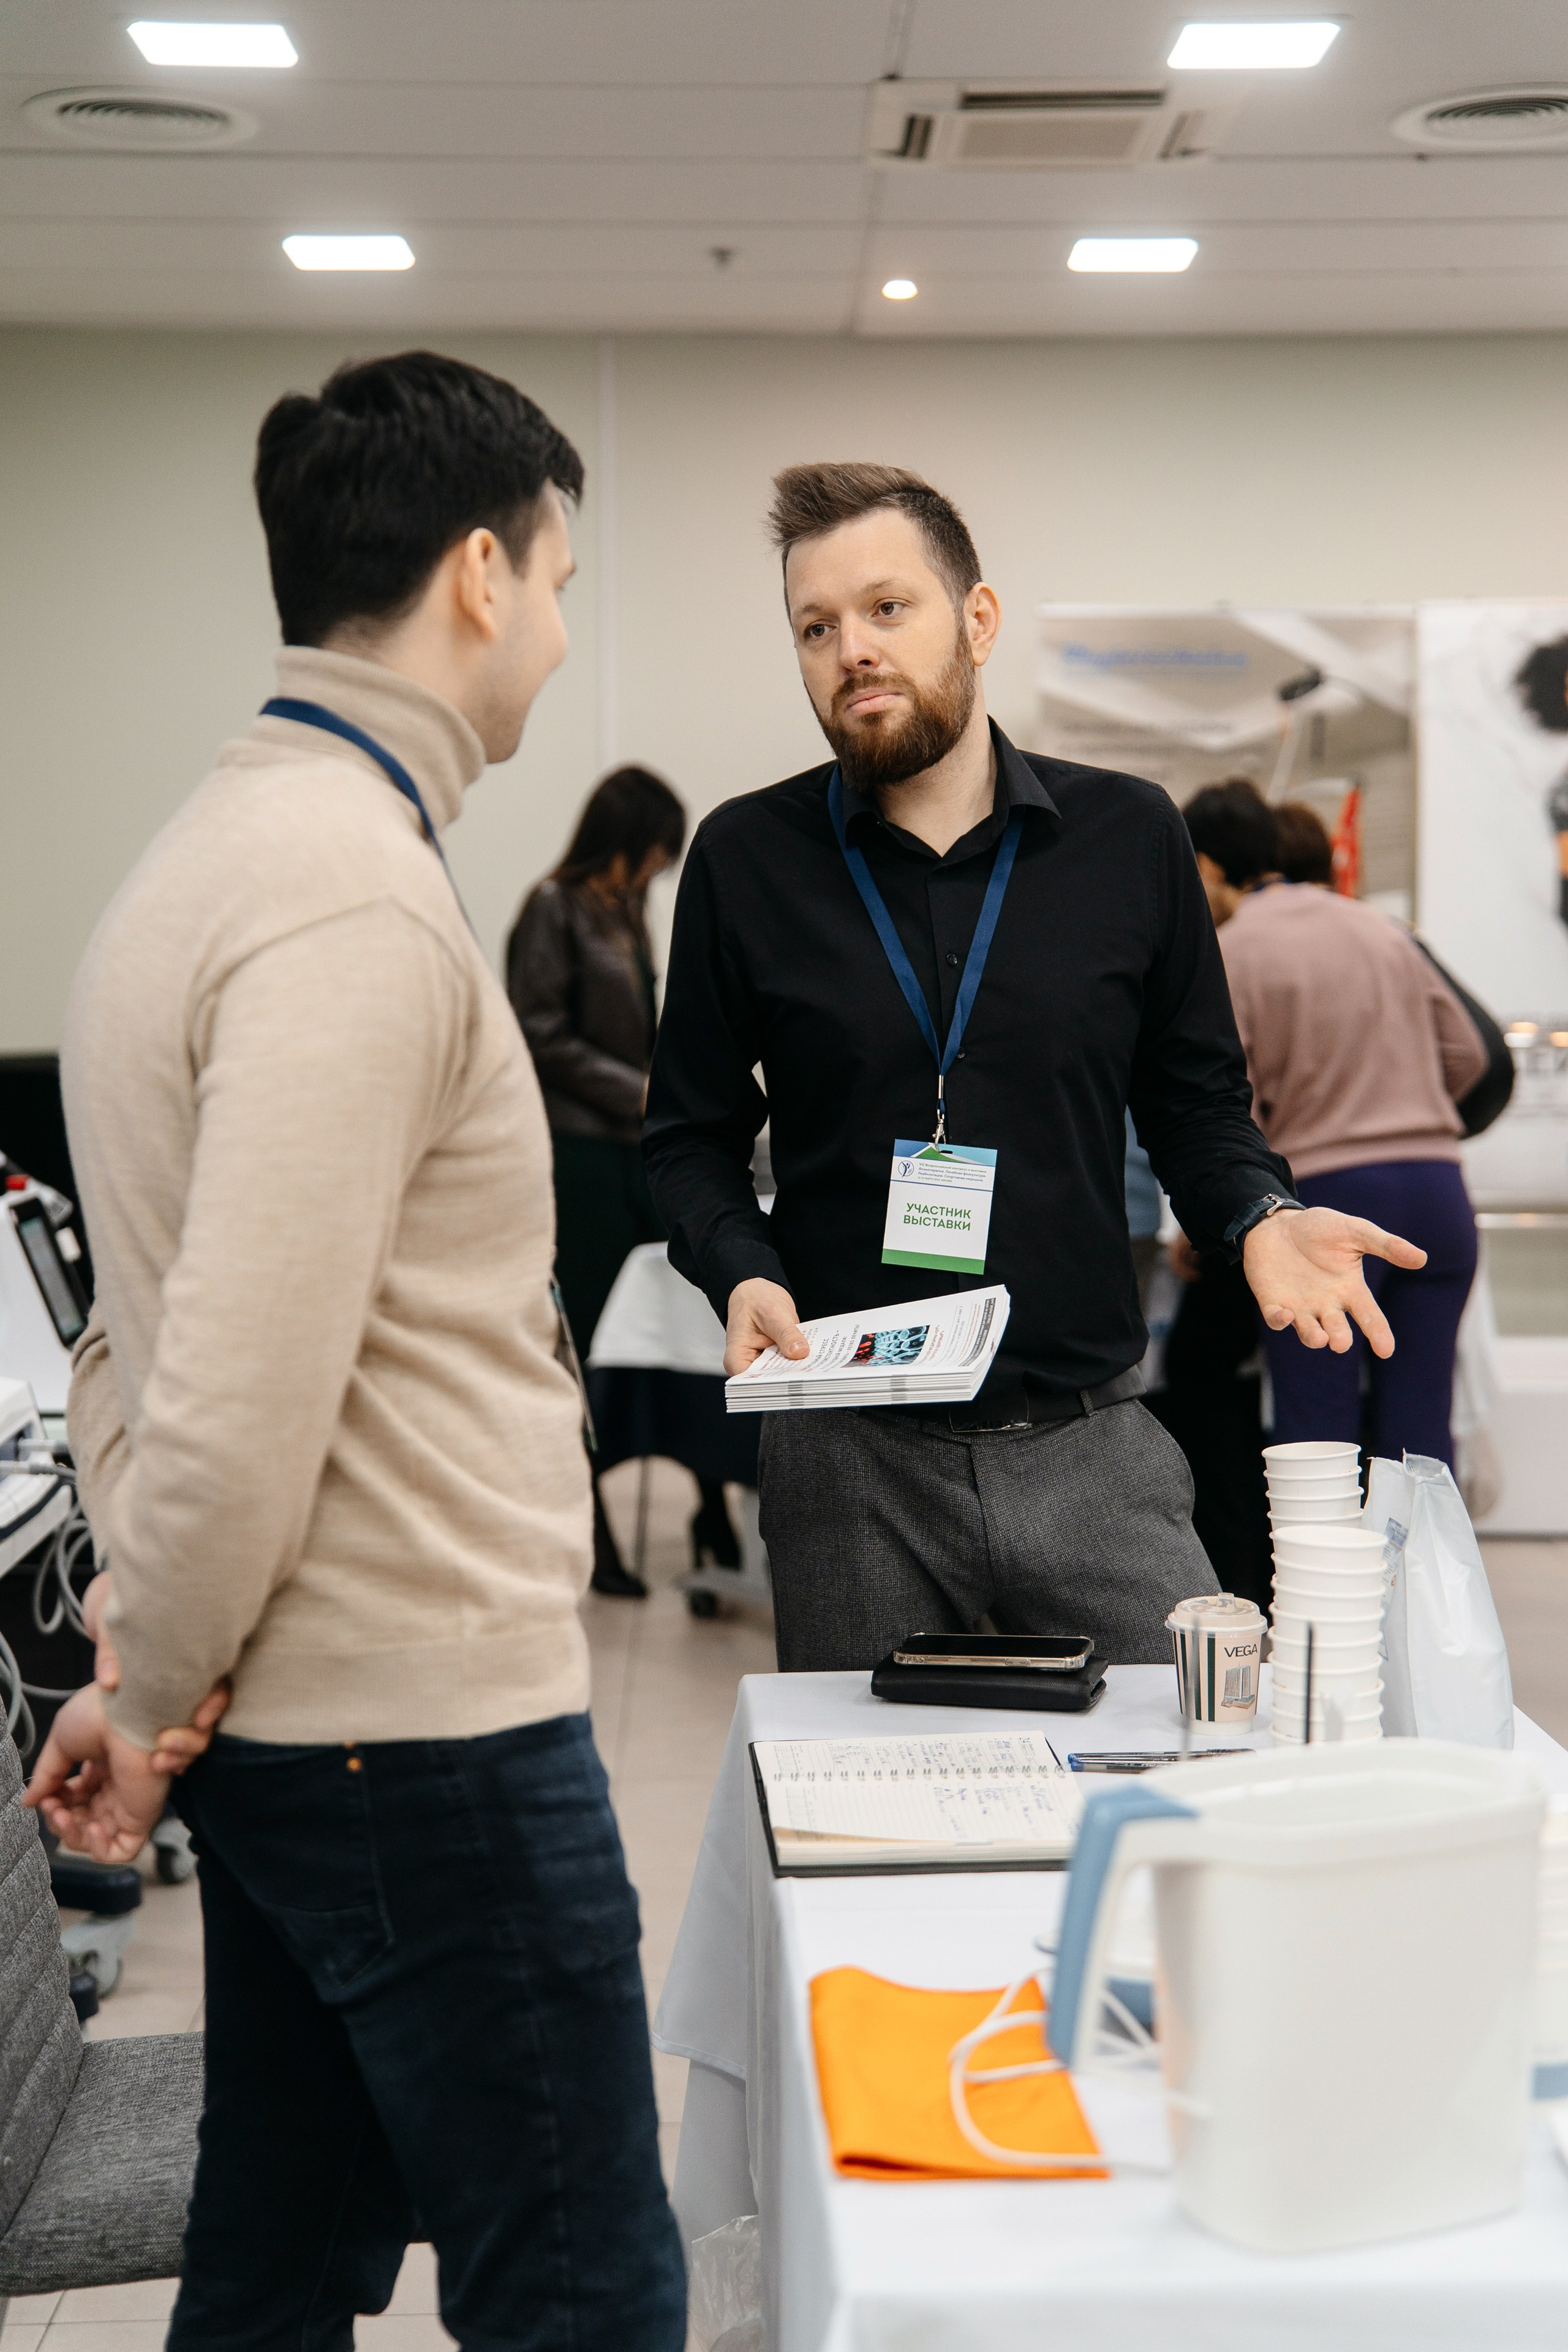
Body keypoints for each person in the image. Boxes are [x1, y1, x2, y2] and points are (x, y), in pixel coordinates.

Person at [26, 351, 685, 2352]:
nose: (558, 629)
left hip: (318, 1734)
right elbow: (231, 1400)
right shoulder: (345, 897)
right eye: (559, 580)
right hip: (423, 1742)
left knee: (281, 2269)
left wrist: (153, 1663)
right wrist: (146, 1700)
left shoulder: (229, 855)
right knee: (583, 2291)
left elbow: (140, 1351)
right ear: (482, 573)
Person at [643, 462, 1425, 1672]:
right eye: (816, 626)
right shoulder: (746, 859)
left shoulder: (1129, 837)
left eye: (886, 608)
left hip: (1088, 1441)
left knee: (1183, 1762)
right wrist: (739, 1268)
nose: (852, 649)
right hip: (848, 1453)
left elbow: (1195, 1104)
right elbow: (687, 1138)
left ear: (977, 619)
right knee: (866, 1787)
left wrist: (1259, 1214)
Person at [1187, 788, 1488, 1467]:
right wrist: (1407, 1110)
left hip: (1326, 1198)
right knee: (1420, 1434)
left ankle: (1324, 1547)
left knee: (1316, 1431)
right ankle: (1426, 1545)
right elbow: (1469, 1054)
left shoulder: (1232, 948)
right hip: (1438, 1190)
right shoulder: (1379, 928)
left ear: (1206, 866)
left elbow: (1224, 1101)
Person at [508, 766, 736, 1596]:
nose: (657, 869)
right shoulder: (553, 908)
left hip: (637, 1149)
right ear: (625, 839)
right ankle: (592, 1530)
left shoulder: (626, 911)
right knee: (592, 1340)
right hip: (579, 1155)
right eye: (654, 852)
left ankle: (712, 1504)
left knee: (680, 1323)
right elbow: (538, 1034)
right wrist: (635, 1090)